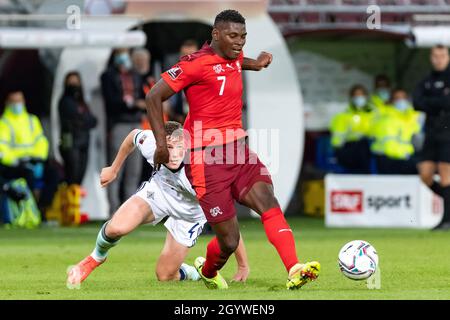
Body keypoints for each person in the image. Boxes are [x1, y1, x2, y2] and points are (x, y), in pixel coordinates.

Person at [145, 9, 320, 290]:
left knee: (268, 202)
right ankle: (209, 270)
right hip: (205, 160)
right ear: (216, 35)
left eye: (243, 36)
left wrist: (258, 64)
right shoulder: (193, 64)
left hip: (238, 152)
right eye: (233, 36)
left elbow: (235, 64)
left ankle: (294, 267)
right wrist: (162, 144)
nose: (239, 42)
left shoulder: (234, 56)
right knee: (229, 240)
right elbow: (154, 96)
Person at [67, 121, 249, 285]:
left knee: (164, 275)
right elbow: (133, 136)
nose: (175, 153)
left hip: (190, 215)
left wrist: (242, 265)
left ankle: (195, 272)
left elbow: (228, 222)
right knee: (116, 228)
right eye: (169, 146)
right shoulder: (152, 145)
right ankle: (96, 257)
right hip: (159, 194)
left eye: (180, 147)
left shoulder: (201, 172)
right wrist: (114, 169)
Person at [101, 48, 146, 215]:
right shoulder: (108, 76)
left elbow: (142, 95)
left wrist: (138, 104)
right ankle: (113, 210)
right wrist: (134, 104)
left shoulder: (135, 75)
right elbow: (111, 102)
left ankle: (129, 212)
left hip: (136, 123)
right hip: (119, 124)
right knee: (116, 169)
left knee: (133, 170)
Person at [413, 44, 450, 231]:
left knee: (445, 173)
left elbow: (440, 103)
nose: (439, 59)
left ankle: (446, 220)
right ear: (431, 57)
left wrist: (431, 103)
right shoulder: (426, 80)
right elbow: (416, 102)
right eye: (435, 56)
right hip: (431, 133)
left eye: (442, 55)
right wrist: (440, 103)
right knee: (425, 175)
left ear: (448, 56)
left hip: (448, 132)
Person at [370, 88, 422, 174]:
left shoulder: (412, 116)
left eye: (403, 98)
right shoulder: (385, 116)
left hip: (406, 157)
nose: (401, 101)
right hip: (387, 158)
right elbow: (387, 143)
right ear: (391, 100)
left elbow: (417, 137)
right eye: (397, 98)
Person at [59, 71, 97, 185]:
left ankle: (74, 201)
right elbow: (75, 119)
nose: (74, 85)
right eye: (71, 82)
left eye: (76, 82)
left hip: (84, 142)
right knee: (72, 175)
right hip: (70, 143)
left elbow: (93, 121)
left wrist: (84, 121)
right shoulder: (65, 101)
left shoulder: (82, 103)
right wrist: (84, 121)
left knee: (80, 177)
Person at [330, 84, 373, 174]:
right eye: (356, 95)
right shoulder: (344, 115)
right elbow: (337, 139)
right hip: (350, 147)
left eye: (361, 95)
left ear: (366, 96)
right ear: (352, 97)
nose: (359, 98)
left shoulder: (373, 112)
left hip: (369, 147)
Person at [167, 40, 199, 123]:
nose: (188, 59)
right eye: (185, 56)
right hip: (177, 121)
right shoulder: (174, 75)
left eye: (192, 56)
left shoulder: (205, 77)